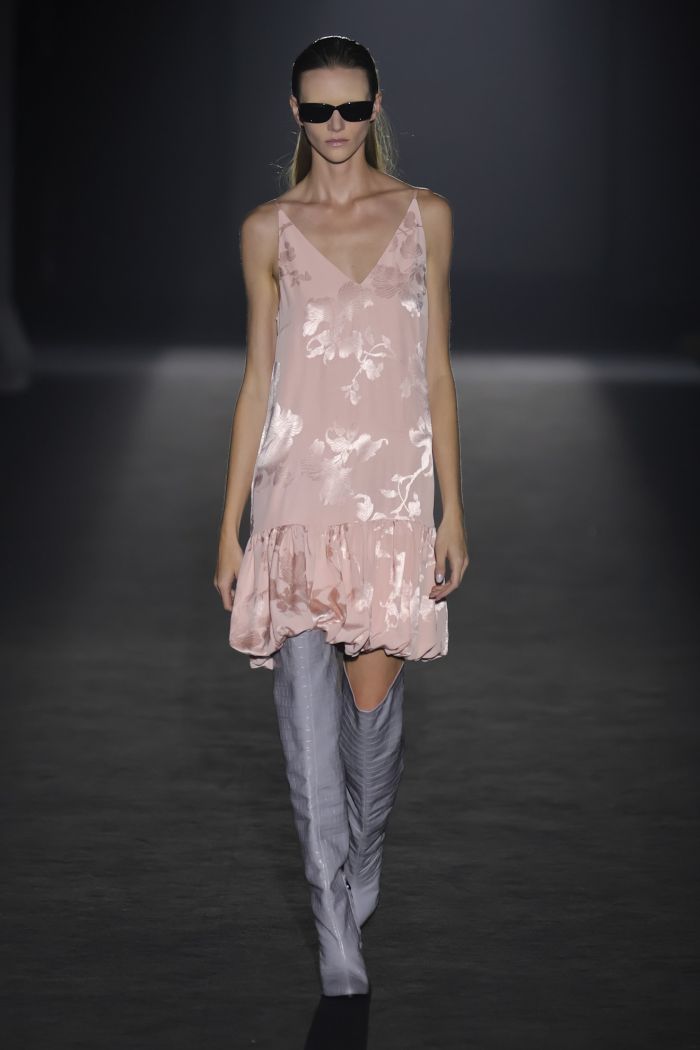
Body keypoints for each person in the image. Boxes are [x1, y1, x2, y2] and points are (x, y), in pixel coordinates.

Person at [215, 35, 469, 1002]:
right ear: (294, 112)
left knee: (371, 721)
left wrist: (451, 508)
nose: (335, 125)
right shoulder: (267, 229)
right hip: (295, 499)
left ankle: (364, 855)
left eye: (351, 108)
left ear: (375, 107)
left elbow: (437, 371)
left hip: (392, 501)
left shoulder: (425, 217)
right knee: (306, 726)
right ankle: (333, 923)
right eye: (318, 109)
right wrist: (229, 526)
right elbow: (257, 380)